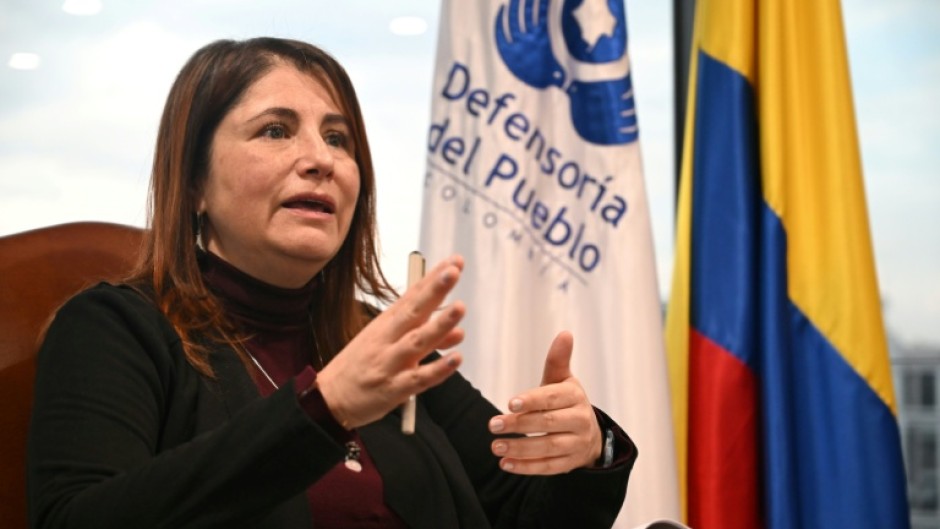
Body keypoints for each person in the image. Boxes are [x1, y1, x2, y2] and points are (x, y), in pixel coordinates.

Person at [27, 37, 636, 529]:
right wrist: (322, 411)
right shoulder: (115, 329)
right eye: (275, 130)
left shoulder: (379, 338)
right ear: (193, 185)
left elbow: (519, 510)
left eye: (338, 138)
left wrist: (582, 451)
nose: (320, 158)